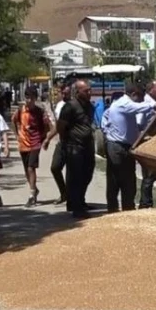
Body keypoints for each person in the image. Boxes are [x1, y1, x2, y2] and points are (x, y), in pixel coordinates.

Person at [100, 81, 156, 213]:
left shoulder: (119, 103)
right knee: (119, 181)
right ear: (134, 94)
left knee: (126, 180)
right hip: (118, 148)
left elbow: (106, 116)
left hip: (123, 146)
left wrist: (108, 131)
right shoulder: (124, 104)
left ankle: (125, 208)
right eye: (141, 96)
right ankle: (117, 209)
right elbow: (140, 108)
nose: (142, 99)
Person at [55, 80, 96, 219]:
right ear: (77, 92)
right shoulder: (70, 107)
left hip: (88, 146)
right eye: (86, 91)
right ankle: (76, 207)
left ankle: (80, 201)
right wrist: (66, 141)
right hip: (74, 147)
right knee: (76, 177)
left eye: (90, 90)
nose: (89, 93)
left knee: (87, 174)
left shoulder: (89, 106)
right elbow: (60, 126)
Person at [11, 86, 55, 207]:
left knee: (31, 168)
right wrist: (16, 135)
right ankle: (34, 188)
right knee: (26, 170)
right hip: (23, 144)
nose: (29, 100)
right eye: (27, 97)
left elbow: (51, 127)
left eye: (31, 98)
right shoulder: (20, 111)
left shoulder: (40, 112)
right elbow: (13, 121)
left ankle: (31, 196)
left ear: (35, 98)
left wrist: (46, 139)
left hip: (35, 143)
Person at [137, 80, 156, 209]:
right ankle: (145, 204)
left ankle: (147, 202)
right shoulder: (146, 102)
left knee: (152, 174)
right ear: (150, 90)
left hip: (153, 140)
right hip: (147, 140)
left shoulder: (152, 102)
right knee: (148, 175)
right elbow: (139, 122)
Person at [49, 83, 71, 204]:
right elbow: (58, 125)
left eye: (67, 92)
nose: (64, 95)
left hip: (73, 143)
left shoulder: (75, 105)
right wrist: (48, 138)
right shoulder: (59, 106)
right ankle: (64, 193)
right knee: (55, 167)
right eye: (62, 93)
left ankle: (74, 198)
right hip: (62, 142)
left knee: (72, 172)